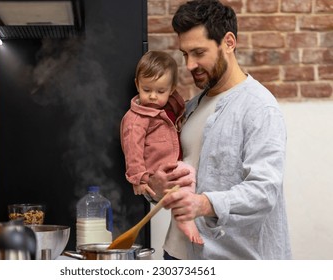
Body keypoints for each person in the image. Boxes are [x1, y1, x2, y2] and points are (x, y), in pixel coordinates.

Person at [146, 0, 292, 260]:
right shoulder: (191, 106)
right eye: (185, 54)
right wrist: (158, 189)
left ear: (228, 42)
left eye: (199, 53)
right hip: (177, 255)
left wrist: (203, 203)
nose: (190, 65)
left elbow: (263, 191)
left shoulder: (260, 108)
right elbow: (181, 182)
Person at [120, 50, 203, 244]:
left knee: (190, 179)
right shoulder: (136, 119)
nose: (153, 96)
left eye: (160, 91)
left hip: (174, 165)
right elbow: (132, 150)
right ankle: (185, 221)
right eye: (146, 89)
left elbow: (179, 114)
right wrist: (138, 179)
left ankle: (186, 218)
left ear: (172, 89)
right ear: (137, 85)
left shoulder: (170, 107)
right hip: (156, 172)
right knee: (187, 178)